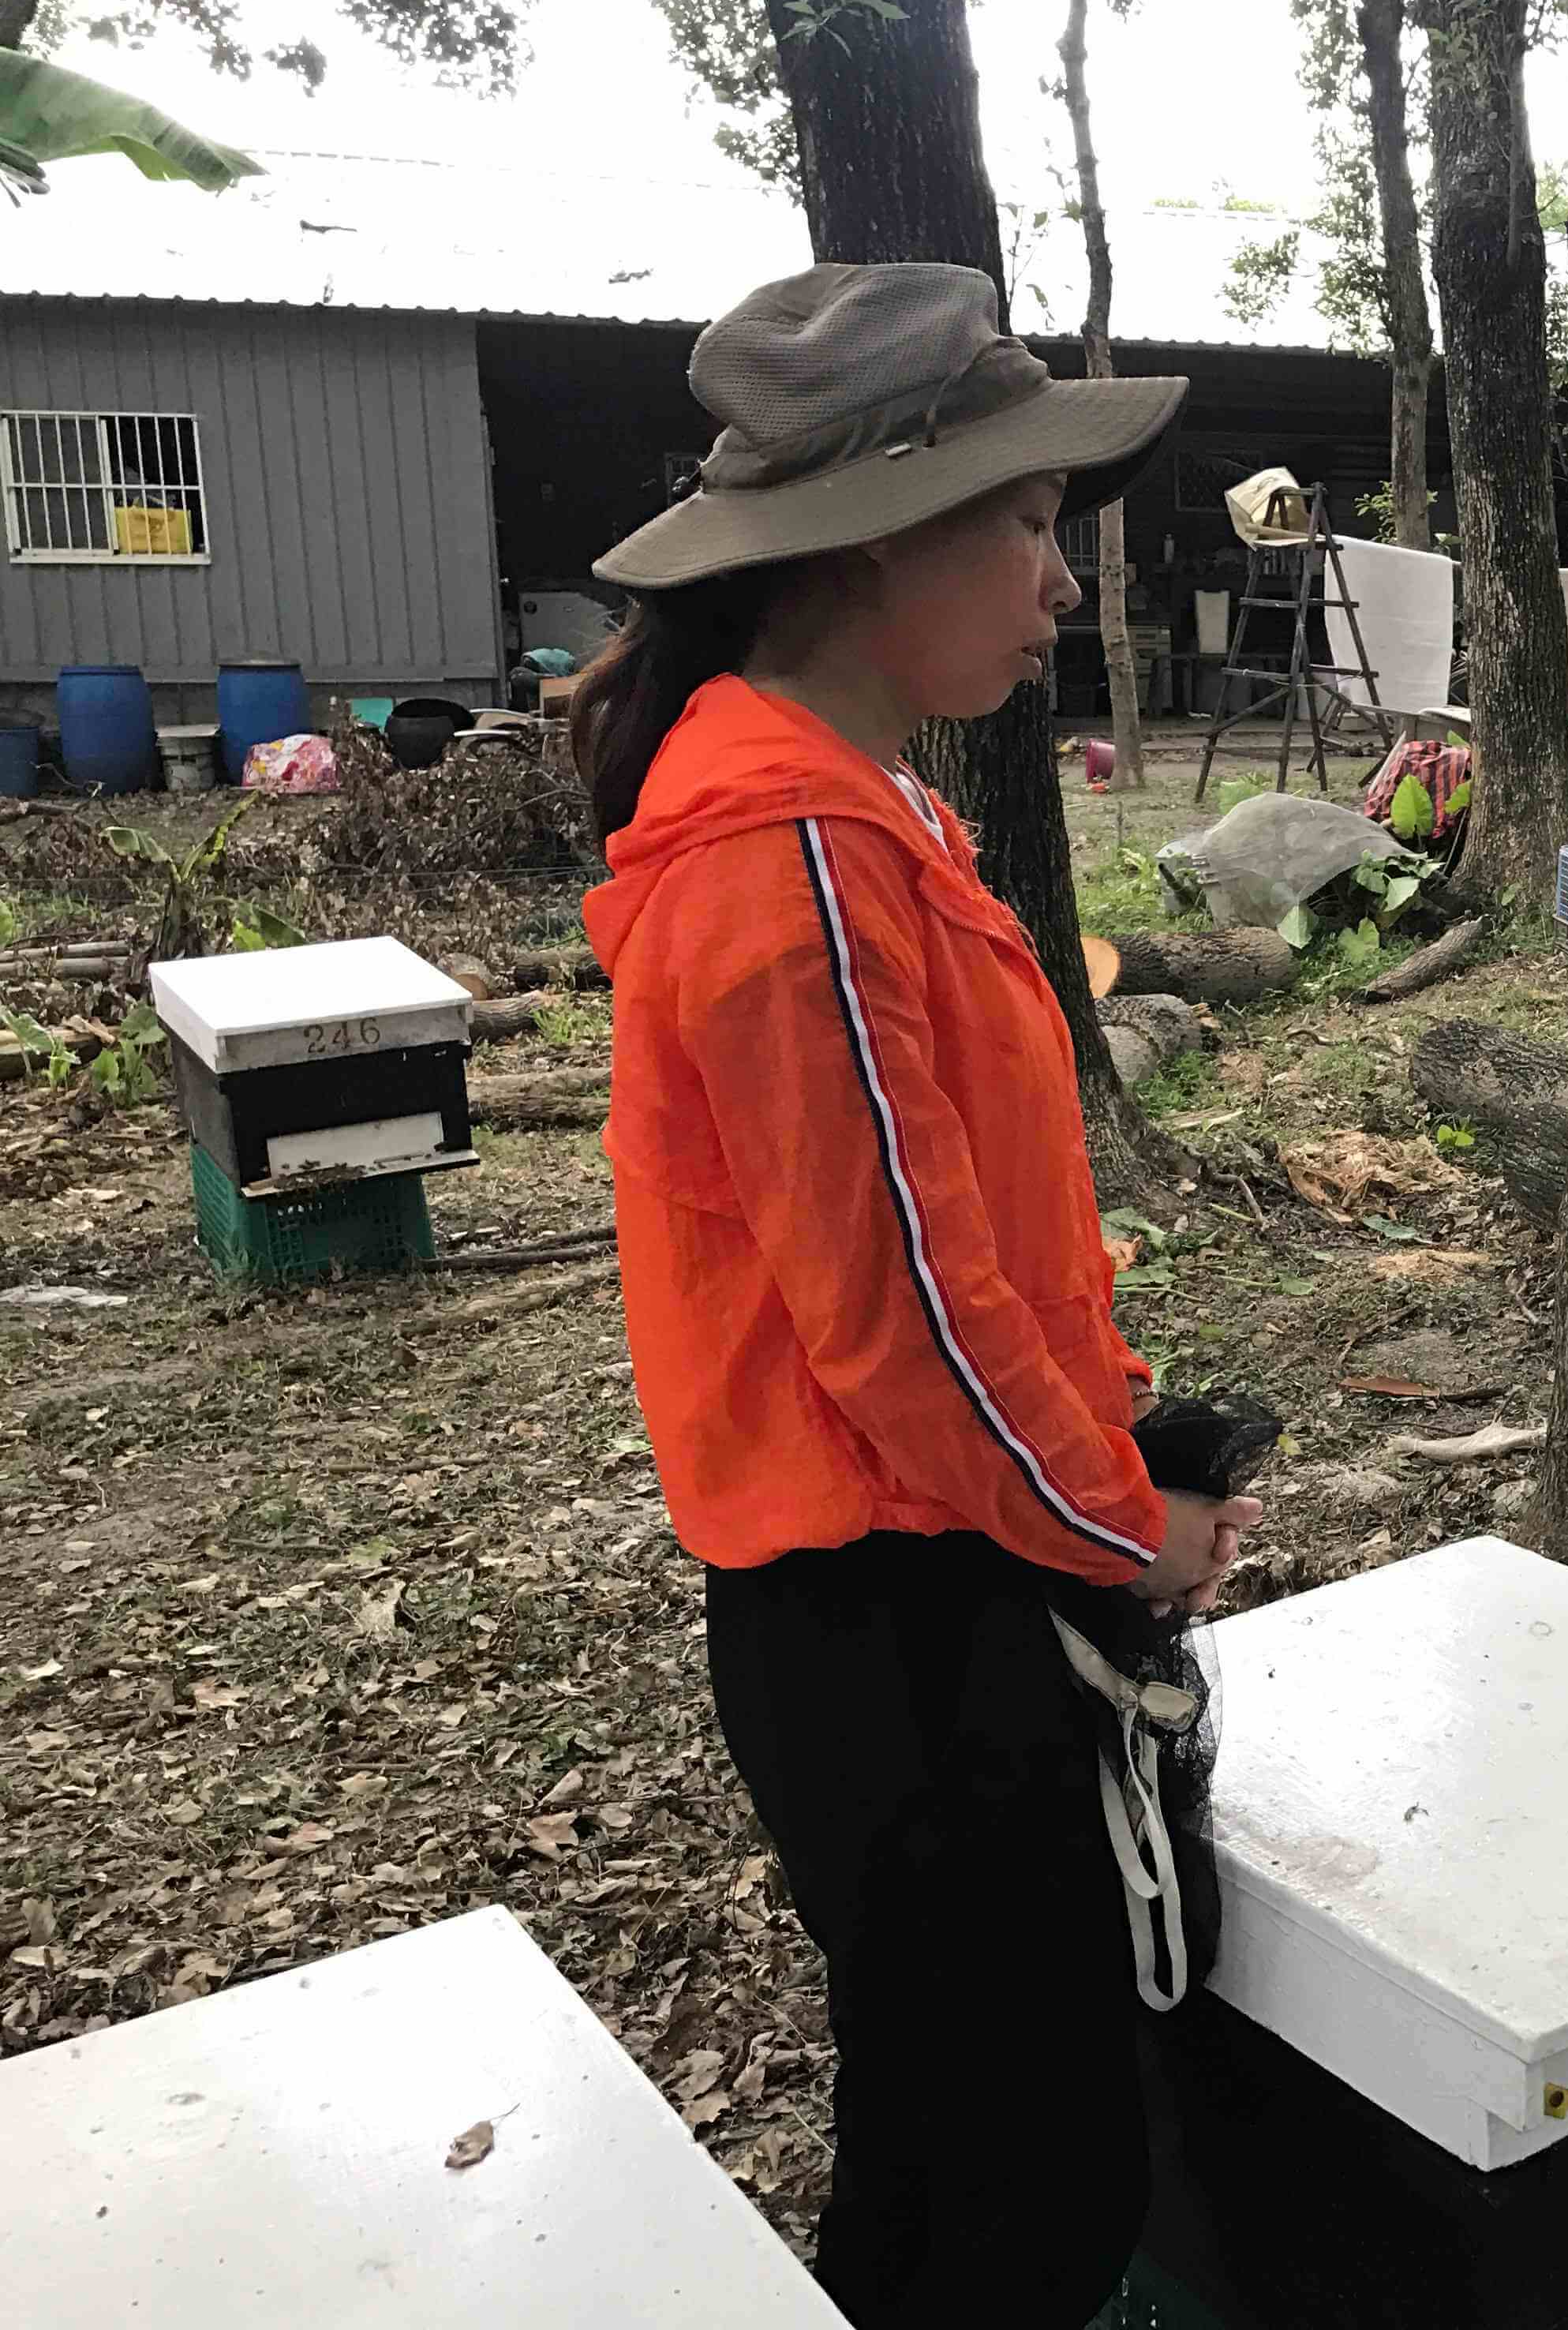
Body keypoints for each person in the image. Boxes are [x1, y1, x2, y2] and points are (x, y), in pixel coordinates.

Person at [574, 262, 1263, 2324]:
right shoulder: (792, 865)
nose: (1061, 581)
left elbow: (977, 1258)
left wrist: (1112, 1450)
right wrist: (1123, 1531)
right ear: (880, 537)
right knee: (1013, 2188)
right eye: (1031, 521)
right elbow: (912, 1333)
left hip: (930, 1574)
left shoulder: (863, 821)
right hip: (905, 1615)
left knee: (979, 2150)